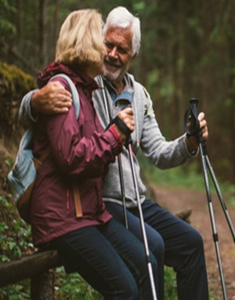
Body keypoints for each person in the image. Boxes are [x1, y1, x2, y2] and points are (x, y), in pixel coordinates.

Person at [20, 6, 209, 300]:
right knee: (152, 249)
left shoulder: (140, 94)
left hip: (135, 200)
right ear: (96, 42)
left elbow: (158, 151)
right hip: (104, 201)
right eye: (107, 44)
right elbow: (50, 92)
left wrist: (190, 142)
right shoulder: (88, 84)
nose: (111, 54)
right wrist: (34, 100)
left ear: (132, 55)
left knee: (192, 243)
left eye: (121, 49)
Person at [28, 9, 158, 299]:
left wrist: (114, 137)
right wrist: (114, 136)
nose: (106, 49)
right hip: (62, 216)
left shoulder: (83, 90)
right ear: (86, 43)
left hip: (87, 211)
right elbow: (71, 158)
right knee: (123, 287)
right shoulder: (61, 88)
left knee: (144, 261)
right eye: (100, 40)